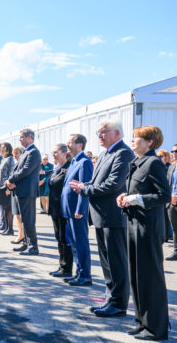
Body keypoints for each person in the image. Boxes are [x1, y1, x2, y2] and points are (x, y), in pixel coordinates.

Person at [70, 120, 134, 316]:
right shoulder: (106, 153)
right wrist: (84, 185)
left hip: (113, 217)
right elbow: (97, 181)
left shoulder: (123, 153)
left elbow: (113, 184)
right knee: (107, 263)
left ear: (117, 133)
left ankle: (118, 304)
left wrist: (85, 189)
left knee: (116, 262)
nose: (99, 136)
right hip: (101, 216)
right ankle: (110, 299)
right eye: (98, 132)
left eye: (103, 132)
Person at [117, 125, 170, 340]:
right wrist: (124, 197)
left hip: (148, 228)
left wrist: (137, 199)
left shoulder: (153, 163)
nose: (133, 140)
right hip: (134, 223)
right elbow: (135, 190)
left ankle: (156, 328)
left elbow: (164, 195)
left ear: (150, 142)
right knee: (137, 277)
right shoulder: (137, 163)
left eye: (137, 138)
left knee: (150, 278)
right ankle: (142, 322)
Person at [61, 134, 93, 286]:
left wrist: (80, 208)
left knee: (81, 243)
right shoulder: (74, 161)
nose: (68, 145)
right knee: (74, 244)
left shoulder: (84, 162)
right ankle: (79, 272)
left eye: (70, 142)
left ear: (80, 145)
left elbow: (84, 186)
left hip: (77, 211)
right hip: (69, 210)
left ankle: (85, 275)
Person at [5, 128, 41, 255]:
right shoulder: (26, 152)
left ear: (30, 138)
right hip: (20, 191)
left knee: (28, 220)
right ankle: (26, 243)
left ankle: (33, 247)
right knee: (24, 220)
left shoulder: (34, 152)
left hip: (27, 192)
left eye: (22, 137)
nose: (20, 139)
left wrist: (11, 179)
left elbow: (26, 170)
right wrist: (10, 180)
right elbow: (16, 169)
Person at [47, 143, 73, 278]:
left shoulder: (69, 168)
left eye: (56, 152)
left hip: (63, 209)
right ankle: (61, 265)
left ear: (64, 153)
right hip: (55, 209)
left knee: (65, 239)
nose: (53, 154)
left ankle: (66, 268)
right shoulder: (57, 168)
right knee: (59, 238)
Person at [0, 143, 15, 236]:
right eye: (1, 148)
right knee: (5, 209)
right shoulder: (3, 159)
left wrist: (8, 188)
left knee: (9, 208)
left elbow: (11, 173)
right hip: (0, 186)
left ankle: (10, 229)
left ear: (8, 149)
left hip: (6, 187)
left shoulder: (10, 159)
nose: (1, 149)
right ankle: (6, 228)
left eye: (3, 148)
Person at [10, 146, 25, 245]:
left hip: (21, 192)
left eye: (17, 153)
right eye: (14, 153)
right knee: (17, 215)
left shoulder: (24, 164)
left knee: (22, 216)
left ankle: (22, 235)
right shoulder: (16, 164)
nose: (15, 155)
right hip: (14, 191)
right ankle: (20, 234)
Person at [167, 144, 177, 260]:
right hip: (172, 202)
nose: (174, 153)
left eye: (176, 151)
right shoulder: (171, 167)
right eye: (173, 151)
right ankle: (176, 251)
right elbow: (167, 184)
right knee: (175, 228)